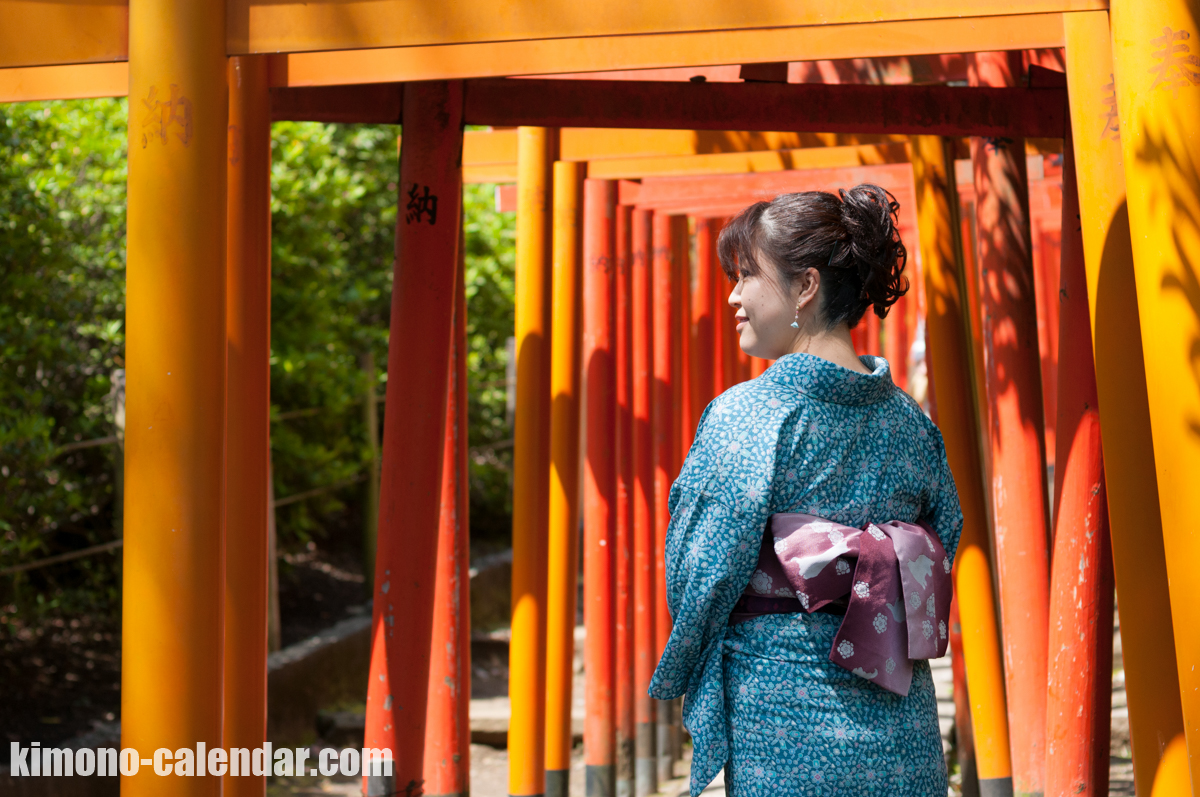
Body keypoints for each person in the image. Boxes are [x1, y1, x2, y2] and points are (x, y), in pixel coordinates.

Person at [648, 185, 963, 796]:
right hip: (903, 720)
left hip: (784, 715)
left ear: (805, 288)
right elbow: (942, 537)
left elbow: (702, 570)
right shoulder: (912, 422)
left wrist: (685, 664)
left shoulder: (752, 415)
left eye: (747, 277)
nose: (734, 296)